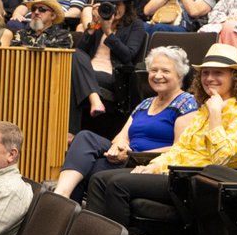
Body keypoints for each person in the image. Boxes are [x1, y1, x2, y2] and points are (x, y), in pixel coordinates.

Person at [86, 43, 237, 228]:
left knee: (117, 184)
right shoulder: (204, 110)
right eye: (206, 73)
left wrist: (216, 115)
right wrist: (154, 166)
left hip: (199, 182)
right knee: (100, 179)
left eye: (218, 73)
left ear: (235, 78)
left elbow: (221, 160)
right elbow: (180, 148)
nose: (210, 78)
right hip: (174, 174)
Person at [54, 46, 198, 201]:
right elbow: (121, 136)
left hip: (148, 164)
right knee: (85, 137)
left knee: (85, 169)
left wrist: (131, 154)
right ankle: (61, 195)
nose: (158, 76)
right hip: (126, 157)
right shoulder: (146, 103)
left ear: (180, 74)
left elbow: (180, 148)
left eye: (165, 71)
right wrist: (119, 146)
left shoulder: (187, 103)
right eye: (153, 70)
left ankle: (65, 208)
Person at [69, 0, 147, 130]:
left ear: (126, 5)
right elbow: (81, 52)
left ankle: (72, 132)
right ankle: (95, 99)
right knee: (75, 55)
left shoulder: (135, 25)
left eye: (118, 4)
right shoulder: (99, 23)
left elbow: (128, 56)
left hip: (112, 74)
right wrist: (92, 26)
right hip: (89, 71)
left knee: (74, 81)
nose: (115, 9)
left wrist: (108, 32)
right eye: (110, 4)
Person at [7, 0, 73, 48]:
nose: (36, 12)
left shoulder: (62, 35)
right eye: (33, 9)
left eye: (42, 9)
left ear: (52, 15)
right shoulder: (21, 34)